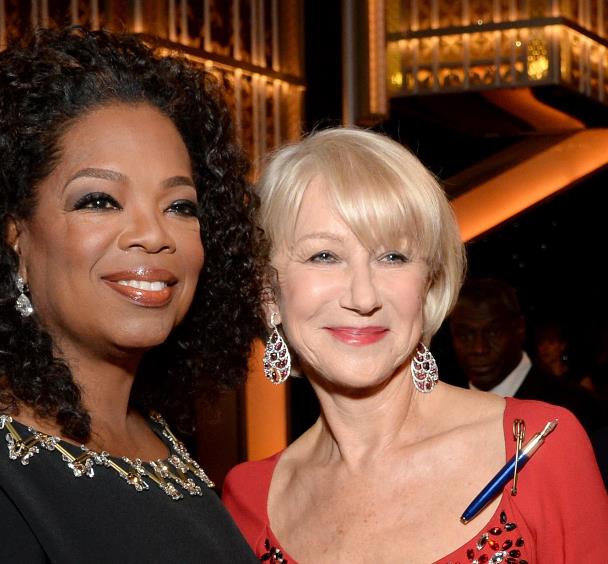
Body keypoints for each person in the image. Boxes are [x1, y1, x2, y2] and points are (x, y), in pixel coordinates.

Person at [0, 27, 263, 563]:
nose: (154, 235)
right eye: (99, 201)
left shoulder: (158, 442)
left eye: (180, 206)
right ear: (13, 233)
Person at [222, 128, 608, 562]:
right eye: (324, 256)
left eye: (393, 257)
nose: (363, 296)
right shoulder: (248, 500)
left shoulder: (535, 448)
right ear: (268, 293)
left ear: (427, 287)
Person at [449, 278, 603, 434]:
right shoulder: (444, 413)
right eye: (464, 335)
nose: (479, 348)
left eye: (493, 333)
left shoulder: (577, 409)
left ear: (519, 328)